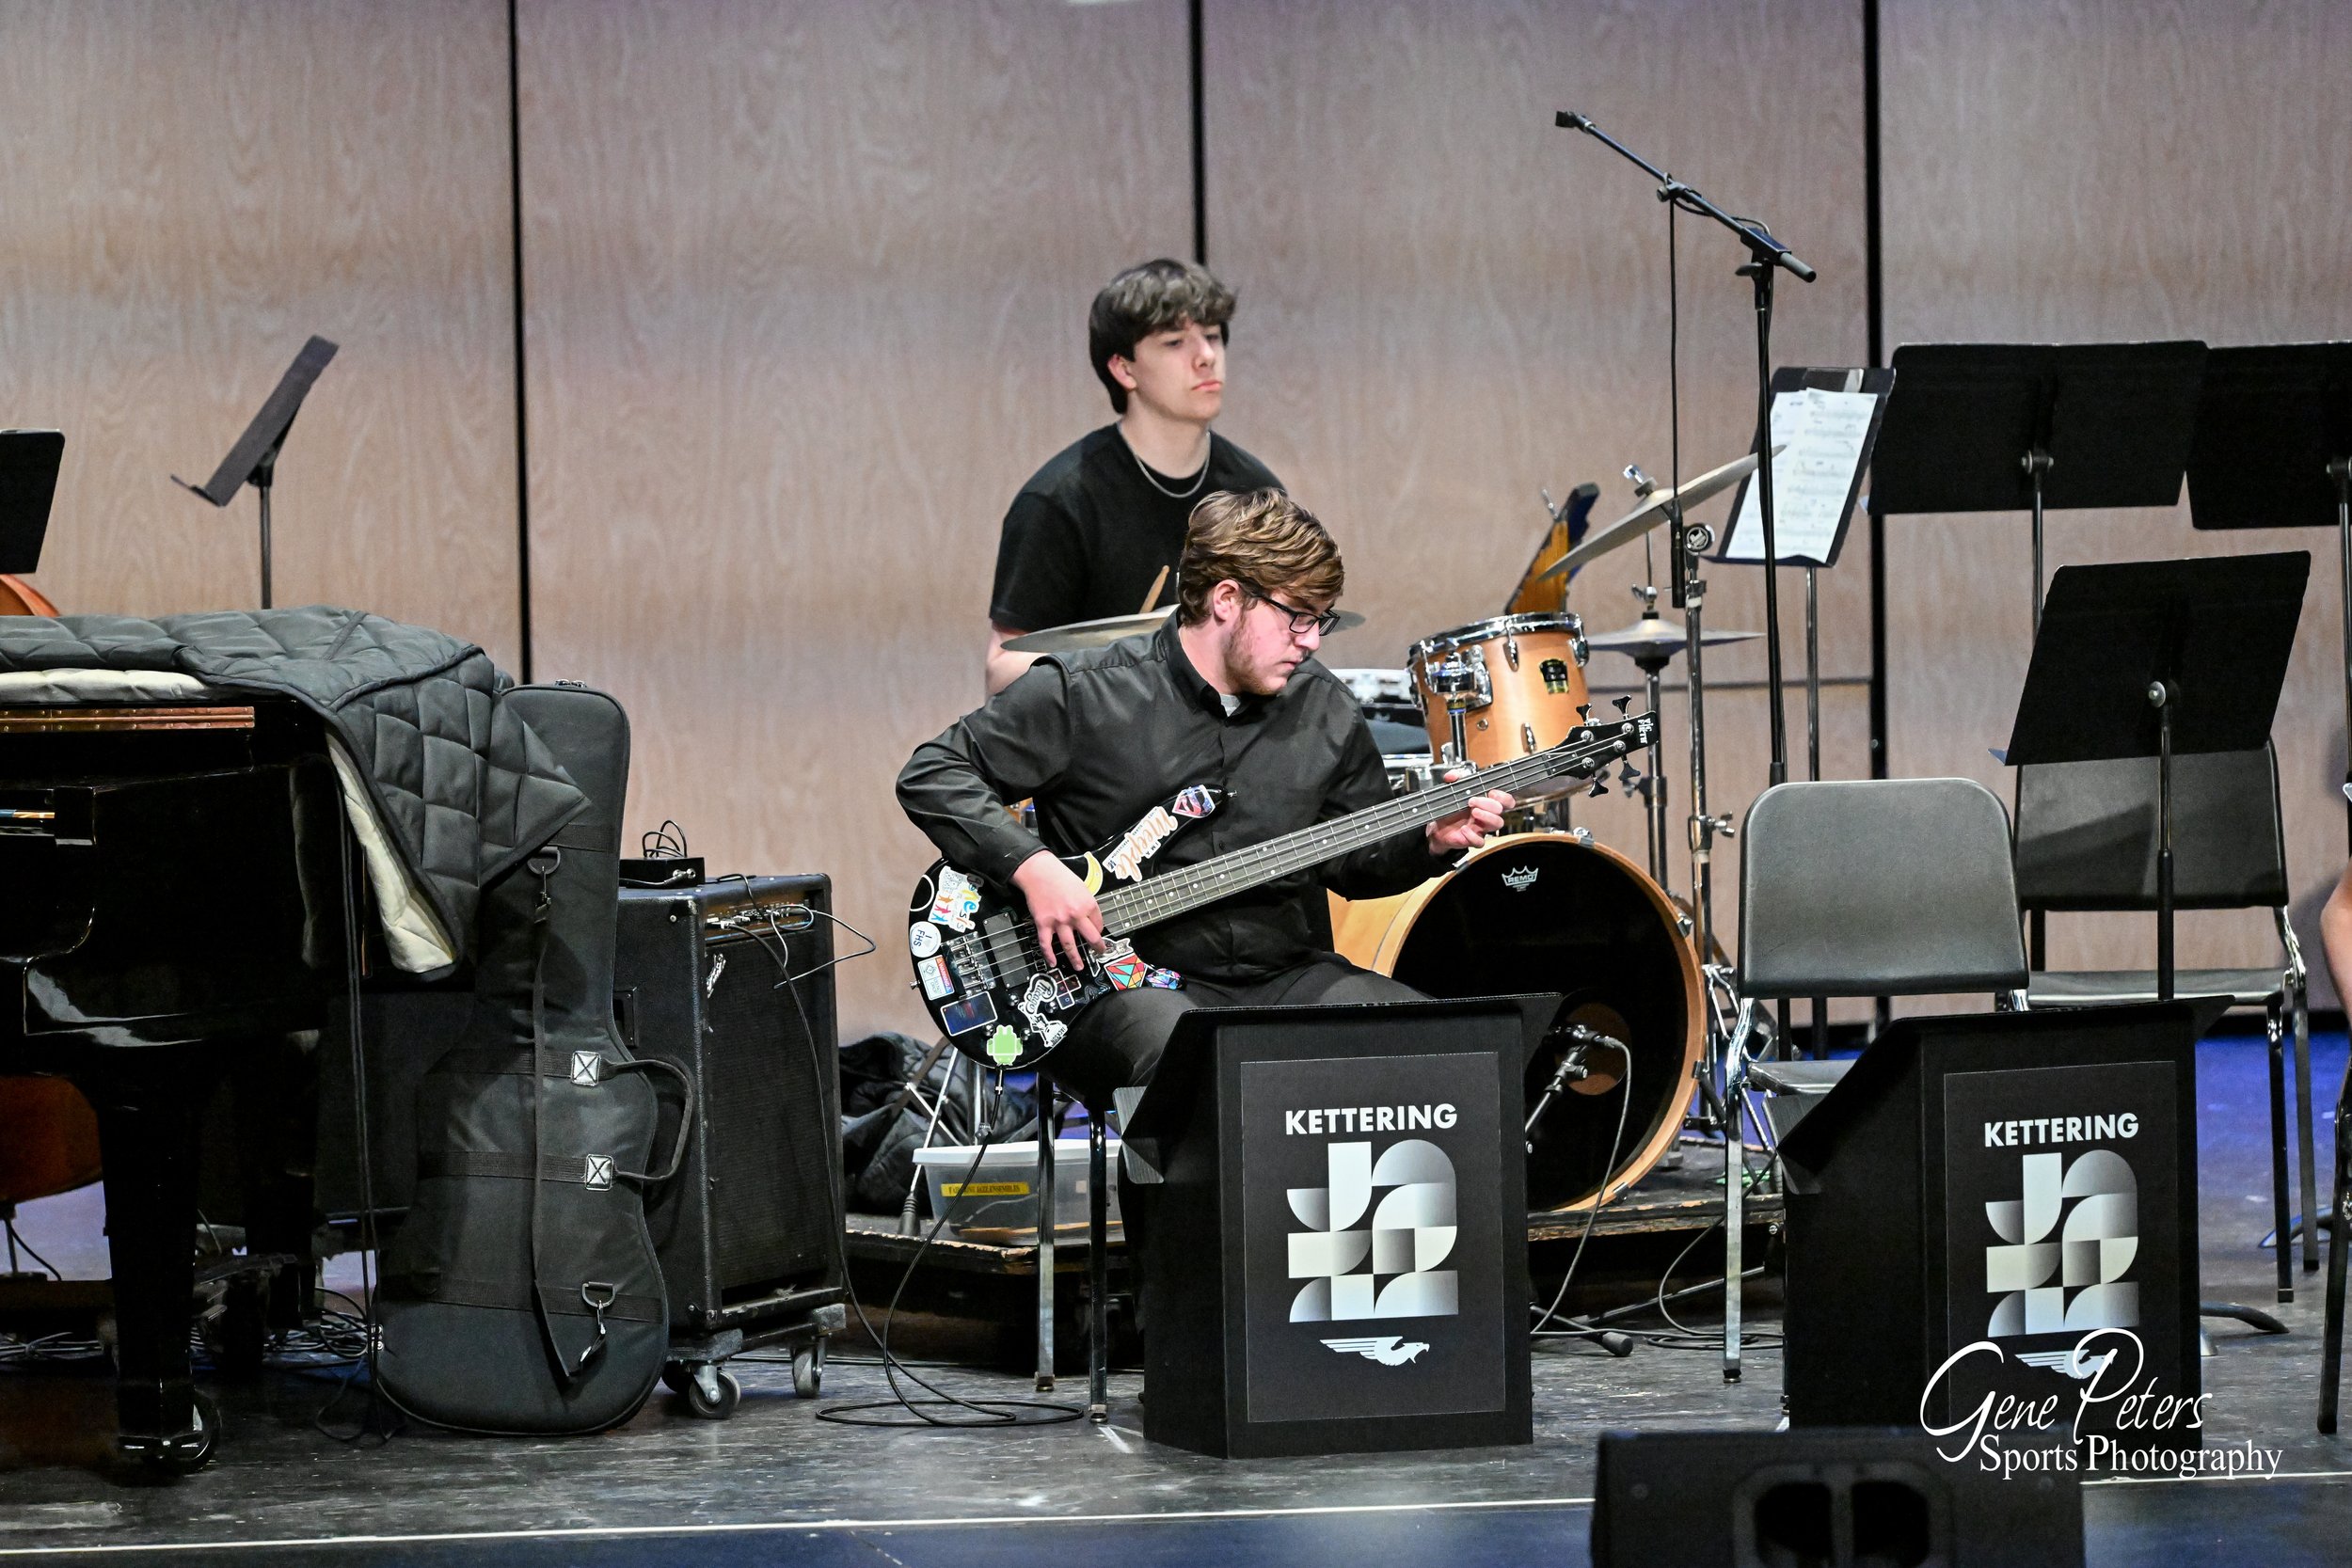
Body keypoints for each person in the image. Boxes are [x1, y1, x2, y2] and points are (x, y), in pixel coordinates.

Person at [905, 489, 1512, 1112]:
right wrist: (1035, 870)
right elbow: (932, 771)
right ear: (1227, 599)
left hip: (1285, 978)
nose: (1312, 641)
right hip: (1118, 987)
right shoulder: (1087, 694)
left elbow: (1353, 863)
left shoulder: (1323, 707)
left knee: (1441, 1052)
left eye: (1320, 619)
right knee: (1200, 1063)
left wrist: (1430, 842)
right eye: (1297, 616)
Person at [984, 258, 1283, 695]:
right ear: (1123, 369)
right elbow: (1001, 673)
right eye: (1175, 342)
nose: (1206, 357)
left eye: (1214, 337)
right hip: (1101, 748)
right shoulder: (1061, 499)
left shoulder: (1255, 494)